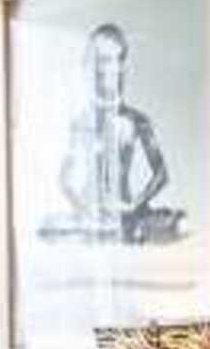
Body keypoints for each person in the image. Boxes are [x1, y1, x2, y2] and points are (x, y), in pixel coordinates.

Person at [43, 22, 179, 244]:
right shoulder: (81, 122)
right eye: (98, 60)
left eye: (111, 60)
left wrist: (135, 205)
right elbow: (65, 180)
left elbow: (161, 174)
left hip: (123, 216)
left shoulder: (137, 121)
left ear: (121, 65)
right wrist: (84, 209)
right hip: (90, 220)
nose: (104, 69)